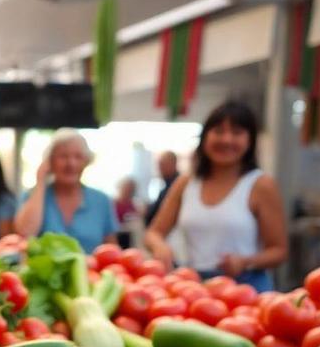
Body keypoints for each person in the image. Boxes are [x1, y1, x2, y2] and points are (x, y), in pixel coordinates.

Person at [144, 101, 287, 292]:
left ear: (250, 140)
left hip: (246, 288)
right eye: (218, 131)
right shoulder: (186, 183)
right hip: (195, 287)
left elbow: (279, 251)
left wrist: (245, 262)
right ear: (205, 137)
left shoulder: (261, 185)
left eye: (237, 132)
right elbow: (154, 232)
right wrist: (160, 247)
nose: (226, 140)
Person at [15, 129, 118, 252]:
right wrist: (41, 179)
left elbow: (112, 250)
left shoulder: (101, 200)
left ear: (86, 162)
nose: (71, 163)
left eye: (78, 157)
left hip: (91, 270)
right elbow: (25, 232)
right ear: (50, 162)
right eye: (63, 156)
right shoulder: (33, 196)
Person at [145, 151, 179, 225]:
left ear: (173, 164)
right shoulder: (165, 187)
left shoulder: (177, 187)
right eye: (159, 165)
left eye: (162, 165)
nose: (159, 169)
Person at [114, 177, 141, 248]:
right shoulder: (112, 203)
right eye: (126, 188)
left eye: (130, 189)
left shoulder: (135, 205)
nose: (127, 191)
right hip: (116, 235)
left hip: (129, 237)